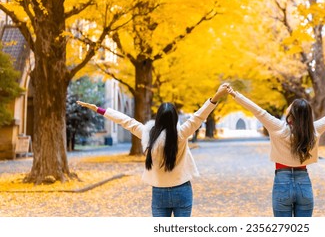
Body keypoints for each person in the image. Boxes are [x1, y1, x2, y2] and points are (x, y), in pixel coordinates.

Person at [226, 86, 325, 217]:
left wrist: (234, 94)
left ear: (291, 114)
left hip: (282, 181)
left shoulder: (277, 127)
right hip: (304, 183)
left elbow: (257, 111)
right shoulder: (314, 129)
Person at [77, 84, 229, 217]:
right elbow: (199, 117)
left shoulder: (148, 135)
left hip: (159, 192)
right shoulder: (182, 134)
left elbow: (126, 121)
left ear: (158, 118)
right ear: (175, 118)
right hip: (182, 190)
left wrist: (99, 110)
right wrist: (217, 95)